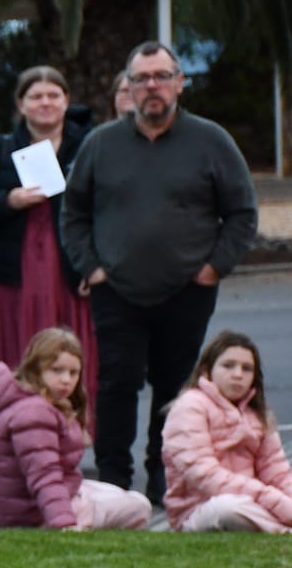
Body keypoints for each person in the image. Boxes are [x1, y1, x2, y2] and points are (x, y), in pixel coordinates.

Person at [60, 40, 258, 506]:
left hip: (186, 291)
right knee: (115, 384)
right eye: (142, 78)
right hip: (117, 291)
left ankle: (165, 476)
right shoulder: (100, 144)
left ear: (179, 83)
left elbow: (242, 214)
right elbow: (73, 213)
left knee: (176, 388)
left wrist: (213, 269)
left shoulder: (211, 141)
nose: (152, 86)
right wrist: (91, 267)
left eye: (162, 77)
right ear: (127, 86)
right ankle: (112, 481)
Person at [0, 65, 95, 416]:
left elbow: (108, 207)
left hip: (69, 267)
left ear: (67, 101)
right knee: (16, 349)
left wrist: (93, 263)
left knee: (71, 354)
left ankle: (71, 433)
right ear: (21, 104)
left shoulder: (88, 146)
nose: (45, 103)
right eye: (36, 96)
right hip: (13, 272)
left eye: (53, 95)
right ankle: (11, 431)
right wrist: (9, 201)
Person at [162, 332, 292, 534]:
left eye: (247, 369)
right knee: (229, 509)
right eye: (228, 365)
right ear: (207, 371)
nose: (237, 374)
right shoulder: (189, 406)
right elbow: (204, 475)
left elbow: (279, 474)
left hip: (257, 500)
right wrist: (276, 503)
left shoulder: (257, 413)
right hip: (200, 509)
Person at [0, 329, 150, 530]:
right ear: (35, 369)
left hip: (19, 505)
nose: (66, 380)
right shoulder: (35, 413)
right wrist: (64, 524)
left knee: (117, 494)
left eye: (73, 372)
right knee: (139, 505)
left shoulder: (26, 399)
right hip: (30, 516)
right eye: (57, 370)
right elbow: (44, 475)